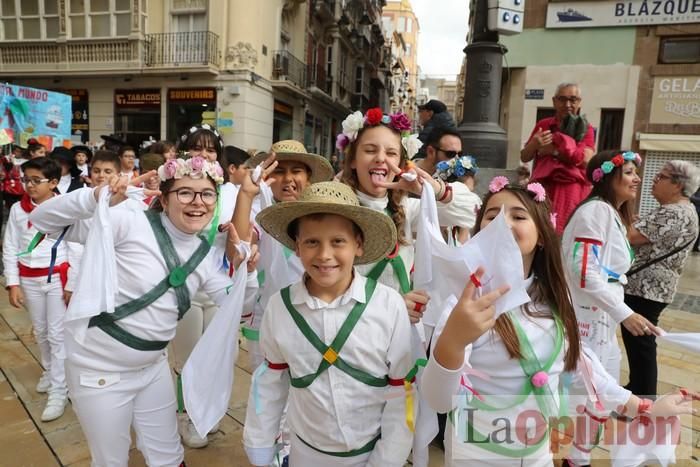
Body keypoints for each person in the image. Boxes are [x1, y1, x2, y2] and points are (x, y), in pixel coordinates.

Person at [421, 178, 694, 466]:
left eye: (518, 215)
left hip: (539, 454)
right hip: (475, 453)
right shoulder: (463, 304)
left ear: (541, 235)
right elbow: (438, 399)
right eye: (492, 215)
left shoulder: (554, 297)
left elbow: (582, 367)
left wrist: (645, 408)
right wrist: (453, 340)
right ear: (479, 232)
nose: (503, 222)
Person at [29, 156, 248, 467]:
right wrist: (96, 197)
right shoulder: (127, 220)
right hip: (98, 373)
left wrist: (244, 274)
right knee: (111, 461)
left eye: (207, 194)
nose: (197, 202)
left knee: (169, 457)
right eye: (185, 192)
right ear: (164, 197)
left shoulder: (206, 254)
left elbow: (239, 306)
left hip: (152, 369)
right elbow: (43, 219)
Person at [337, 107, 476, 467]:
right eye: (370, 150)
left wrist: (430, 189)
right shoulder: (334, 210)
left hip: (401, 345)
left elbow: (472, 211)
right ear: (352, 159)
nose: (381, 159)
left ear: (402, 161)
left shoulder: (413, 212)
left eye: (391, 152)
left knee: (397, 432)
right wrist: (394, 303)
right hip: (350, 342)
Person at [243, 181, 415, 466]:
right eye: (312, 242)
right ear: (297, 247)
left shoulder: (388, 305)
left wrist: (387, 460)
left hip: (372, 455)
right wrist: (259, 444)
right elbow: (269, 383)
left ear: (358, 245)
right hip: (305, 454)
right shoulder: (279, 307)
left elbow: (403, 393)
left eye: (338, 242)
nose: (324, 255)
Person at [561, 150, 658, 465]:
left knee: (600, 394)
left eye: (635, 172)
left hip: (602, 316)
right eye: (629, 172)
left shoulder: (610, 213)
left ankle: (577, 457)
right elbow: (583, 272)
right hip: (588, 318)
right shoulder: (596, 212)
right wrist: (625, 314)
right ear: (606, 177)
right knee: (592, 391)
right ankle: (573, 458)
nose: (637, 179)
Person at [237, 140, 334, 369]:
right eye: (279, 171)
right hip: (267, 322)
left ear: (308, 178)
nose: (288, 179)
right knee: (267, 394)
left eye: (296, 171)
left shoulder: (324, 215)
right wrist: (246, 195)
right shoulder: (258, 214)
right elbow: (238, 248)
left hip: (317, 321)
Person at [2, 157, 72, 421]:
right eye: (26, 180)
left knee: (56, 333)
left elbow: (76, 246)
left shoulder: (65, 207)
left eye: (36, 180)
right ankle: (50, 370)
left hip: (56, 277)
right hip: (28, 278)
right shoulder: (19, 209)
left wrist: (72, 283)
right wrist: (13, 282)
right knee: (41, 330)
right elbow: (10, 246)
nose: (29, 185)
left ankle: (59, 389)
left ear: (53, 182)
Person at [622, 160, 700, 397]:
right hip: (653, 288)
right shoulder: (683, 210)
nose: (654, 180)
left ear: (677, 185)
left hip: (647, 288)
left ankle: (643, 395)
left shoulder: (674, 212)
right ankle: (638, 388)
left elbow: (630, 237)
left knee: (641, 345)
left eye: (661, 177)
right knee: (640, 344)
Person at [520, 83, 595, 234]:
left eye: (573, 100)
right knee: (538, 231)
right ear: (554, 101)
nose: (568, 104)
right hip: (544, 187)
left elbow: (586, 161)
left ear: (579, 102)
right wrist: (534, 143)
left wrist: (553, 151)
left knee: (566, 233)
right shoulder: (544, 125)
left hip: (572, 190)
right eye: (562, 99)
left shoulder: (586, 128)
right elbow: (525, 156)